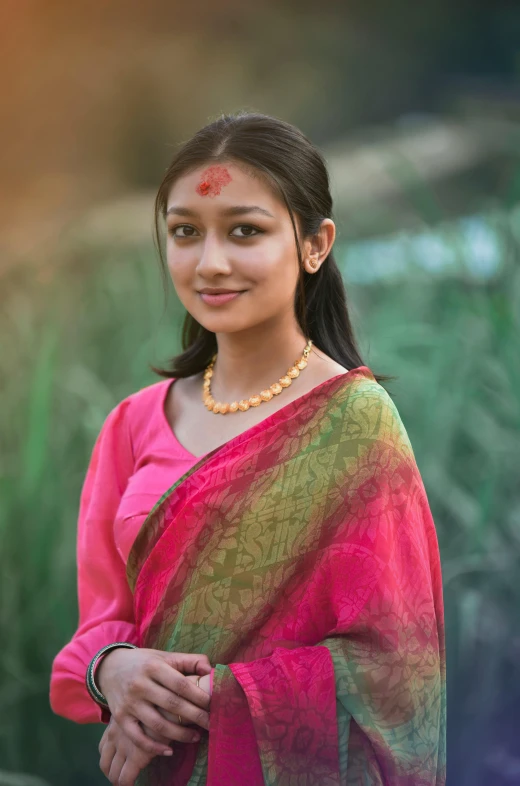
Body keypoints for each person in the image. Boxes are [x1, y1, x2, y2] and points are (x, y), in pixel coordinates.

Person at [49, 111, 446, 785]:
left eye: (245, 231)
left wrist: (212, 697)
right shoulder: (132, 424)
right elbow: (104, 619)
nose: (210, 263)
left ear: (316, 244)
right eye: (184, 232)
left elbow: (397, 670)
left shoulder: (356, 425)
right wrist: (110, 668)